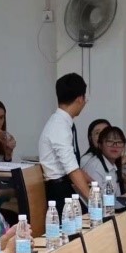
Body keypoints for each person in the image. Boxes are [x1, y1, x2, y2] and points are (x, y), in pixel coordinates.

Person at [38, 72, 92, 205]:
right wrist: (94, 202)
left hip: (64, 186)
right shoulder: (59, 126)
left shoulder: (61, 122)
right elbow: (72, 170)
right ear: (80, 99)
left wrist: (93, 183)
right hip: (59, 192)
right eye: (85, 98)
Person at [81, 124, 126, 203]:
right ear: (100, 145)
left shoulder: (113, 165)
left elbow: (116, 197)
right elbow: (97, 201)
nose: (115, 146)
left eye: (119, 142)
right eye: (109, 142)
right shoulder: (95, 167)